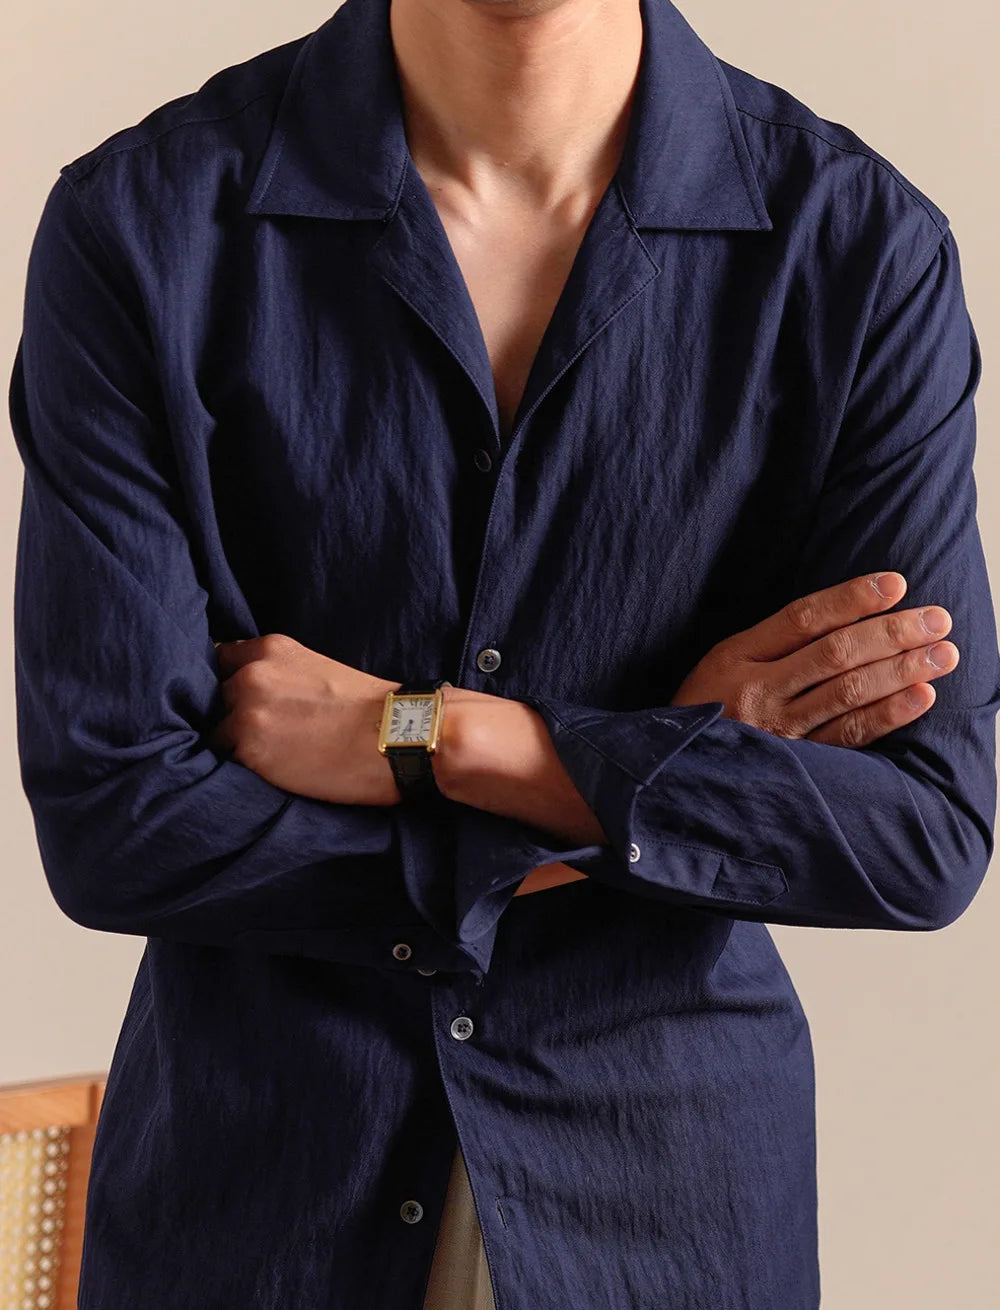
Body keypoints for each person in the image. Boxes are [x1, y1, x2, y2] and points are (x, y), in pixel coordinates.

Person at [9, 0, 999, 1305]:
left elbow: (920, 829)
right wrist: (650, 769)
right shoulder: (143, 227)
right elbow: (118, 817)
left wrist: (439, 738)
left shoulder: (862, 251)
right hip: (259, 1208)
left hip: (666, 1218)